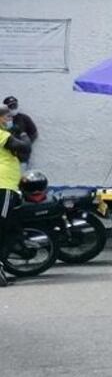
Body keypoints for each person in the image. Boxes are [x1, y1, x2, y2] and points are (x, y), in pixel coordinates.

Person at [0, 105, 33, 288]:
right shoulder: (1, 135)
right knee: (2, 227)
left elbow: (19, 155)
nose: (9, 120)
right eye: (6, 117)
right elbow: (24, 148)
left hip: (8, 186)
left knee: (11, 231)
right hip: (2, 186)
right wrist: (22, 133)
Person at [2, 97, 36, 171]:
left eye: (15, 105)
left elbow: (33, 132)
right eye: (11, 106)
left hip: (21, 158)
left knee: (20, 178)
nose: (13, 108)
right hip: (5, 159)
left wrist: (26, 143)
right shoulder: (2, 120)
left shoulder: (24, 118)